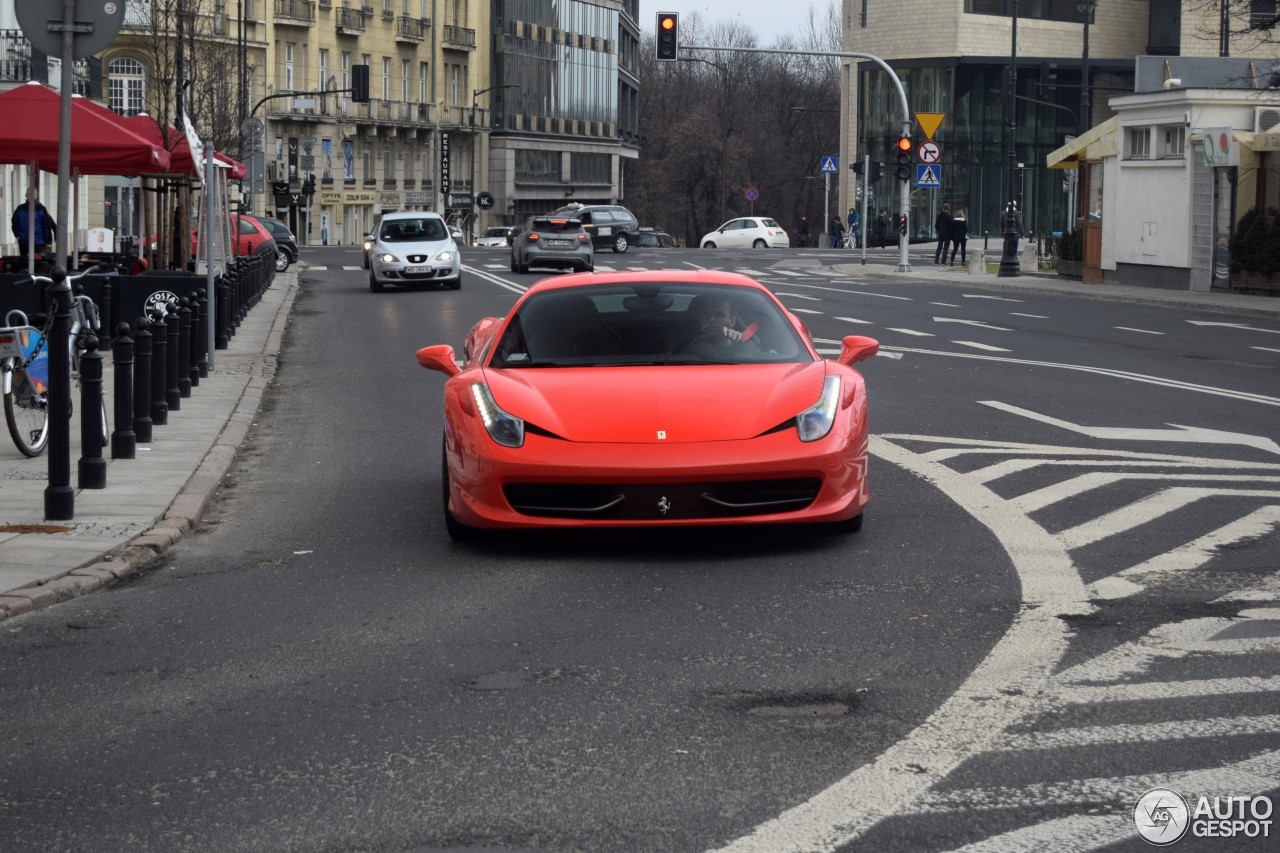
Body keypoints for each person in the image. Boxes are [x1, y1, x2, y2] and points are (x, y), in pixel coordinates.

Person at [11, 187, 55, 257]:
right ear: (26, 195)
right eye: (29, 194)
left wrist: (49, 241)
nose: (31, 196)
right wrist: (17, 236)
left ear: (36, 196)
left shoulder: (41, 208)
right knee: (25, 262)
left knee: (38, 262)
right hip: (24, 242)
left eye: (33, 194)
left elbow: (47, 226)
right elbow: (14, 222)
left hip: (39, 242)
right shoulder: (20, 208)